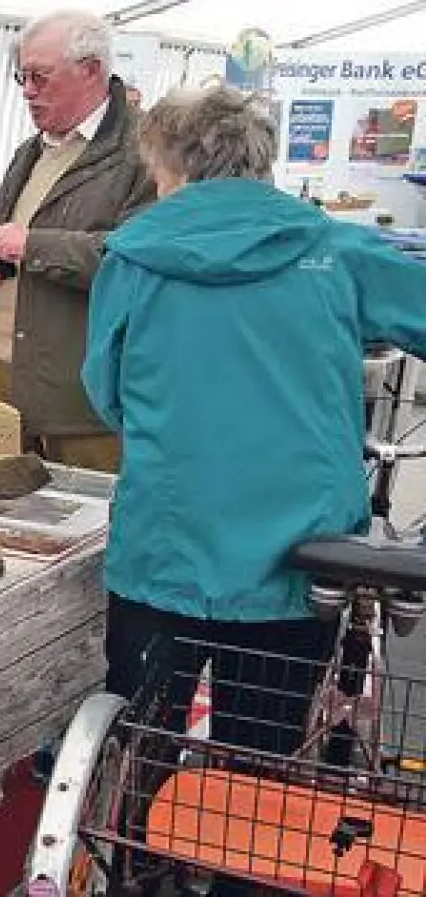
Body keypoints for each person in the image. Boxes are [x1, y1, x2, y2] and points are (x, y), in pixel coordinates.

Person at [84, 86, 426, 755]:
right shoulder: (337, 252)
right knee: (256, 775)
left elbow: (106, 389)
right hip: (297, 556)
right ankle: (232, 859)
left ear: (173, 168)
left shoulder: (132, 258)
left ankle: (132, 856)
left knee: (136, 749)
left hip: (165, 544)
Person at [0, 9, 154, 473]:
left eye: (40, 77)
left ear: (92, 69)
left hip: (83, 403)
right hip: (3, 382)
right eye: (22, 76)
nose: (28, 90)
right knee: (5, 532)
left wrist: (35, 247)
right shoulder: (34, 149)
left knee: (91, 525)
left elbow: (138, 260)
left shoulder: (143, 153)